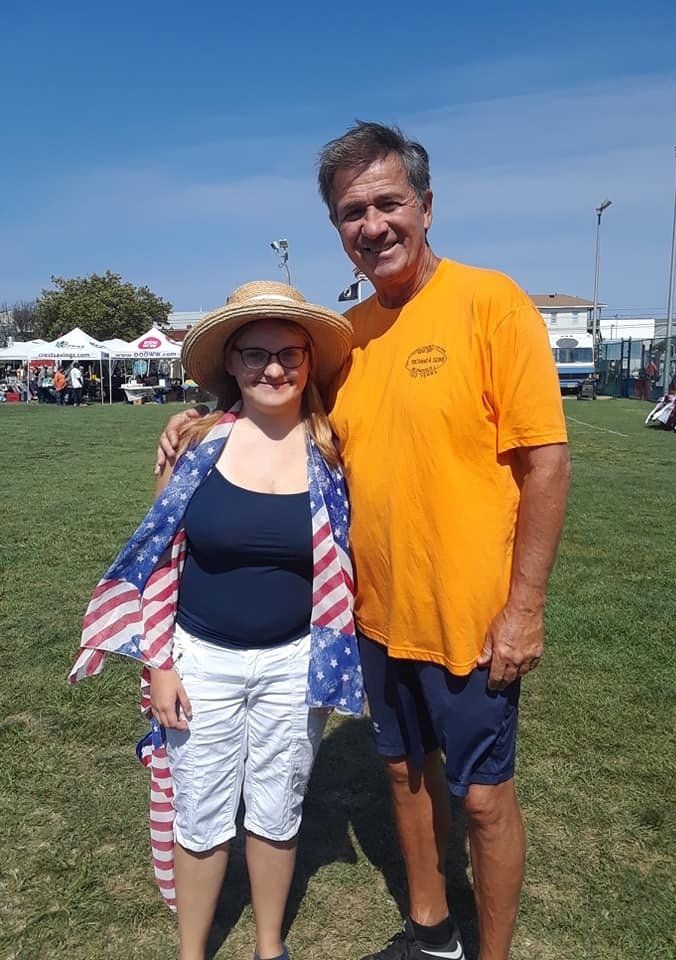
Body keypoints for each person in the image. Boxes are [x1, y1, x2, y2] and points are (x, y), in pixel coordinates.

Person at [157, 122, 571, 960]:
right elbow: (278, 410)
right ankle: (430, 931)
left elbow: (548, 464)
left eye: (388, 202)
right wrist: (195, 423)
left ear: (425, 204)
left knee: (485, 800)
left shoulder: (492, 303)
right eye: (353, 211)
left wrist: (524, 608)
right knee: (402, 774)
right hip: (372, 617)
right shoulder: (347, 341)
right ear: (338, 230)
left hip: (471, 613)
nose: (373, 224)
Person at [70, 281, 362, 960]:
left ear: (307, 360)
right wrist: (159, 664)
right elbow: (159, 559)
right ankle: (191, 952)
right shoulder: (196, 442)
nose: (273, 369)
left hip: (294, 663)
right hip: (201, 663)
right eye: (255, 354)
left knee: (277, 811)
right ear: (231, 363)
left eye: (288, 353)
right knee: (200, 818)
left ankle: (268, 948)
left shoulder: (332, 449)